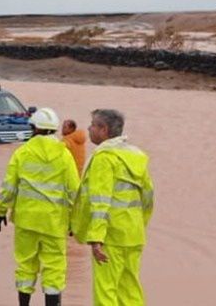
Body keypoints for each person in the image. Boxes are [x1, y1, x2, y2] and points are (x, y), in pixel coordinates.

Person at [0, 108, 80, 306]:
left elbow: (9, 186)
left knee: (25, 265)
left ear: (35, 128)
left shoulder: (22, 153)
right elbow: (75, 192)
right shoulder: (65, 155)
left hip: (26, 221)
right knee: (54, 268)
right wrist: (76, 222)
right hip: (54, 223)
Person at [72, 109, 154, 306]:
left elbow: (100, 201)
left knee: (106, 290)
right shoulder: (136, 157)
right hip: (133, 233)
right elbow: (148, 197)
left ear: (104, 129)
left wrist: (96, 238)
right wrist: (139, 225)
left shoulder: (104, 158)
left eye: (92, 125)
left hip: (111, 234)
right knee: (130, 288)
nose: (89, 129)